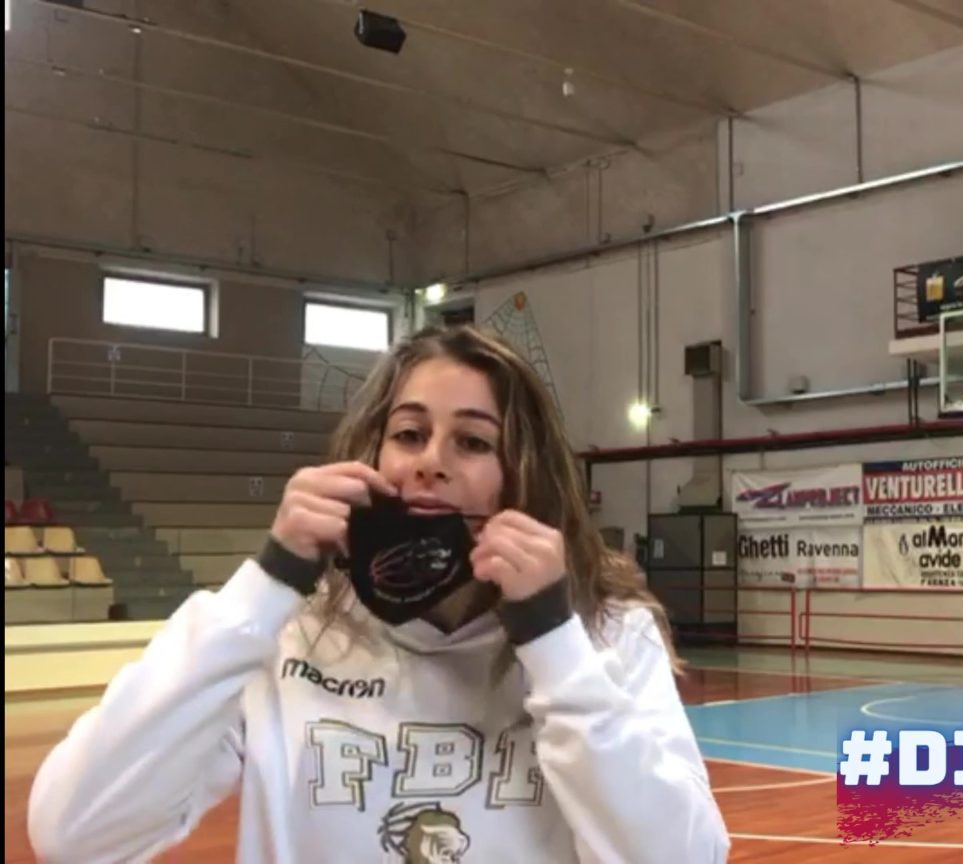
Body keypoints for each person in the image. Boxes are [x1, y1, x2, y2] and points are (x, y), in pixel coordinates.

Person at [28, 326, 730, 864]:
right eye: (409, 434)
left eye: (473, 442)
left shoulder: (605, 633)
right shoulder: (288, 632)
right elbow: (74, 833)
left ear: (525, 474)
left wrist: (552, 642)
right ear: (372, 457)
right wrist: (268, 584)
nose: (431, 462)